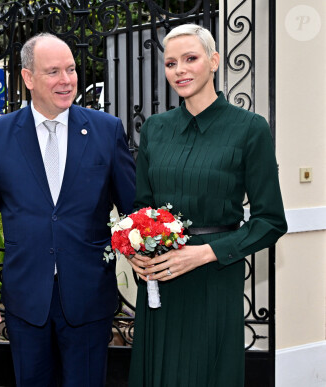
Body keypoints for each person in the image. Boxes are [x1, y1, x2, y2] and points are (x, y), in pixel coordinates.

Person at [0, 33, 137, 386]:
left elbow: (133, 210)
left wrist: (145, 254)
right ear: (28, 78)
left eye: (71, 69)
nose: (66, 80)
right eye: (53, 71)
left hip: (89, 294)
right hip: (26, 297)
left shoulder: (106, 130)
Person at [126, 24, 288, 386]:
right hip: (160, 279)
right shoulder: (154, 128)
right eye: (170, 63)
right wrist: (135, 251)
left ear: (214, 61)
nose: (179, 70)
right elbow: (141, 206)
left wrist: (203, 254)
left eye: (190, 59)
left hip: (214, 277)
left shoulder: (250, 128)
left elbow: (270, 221)